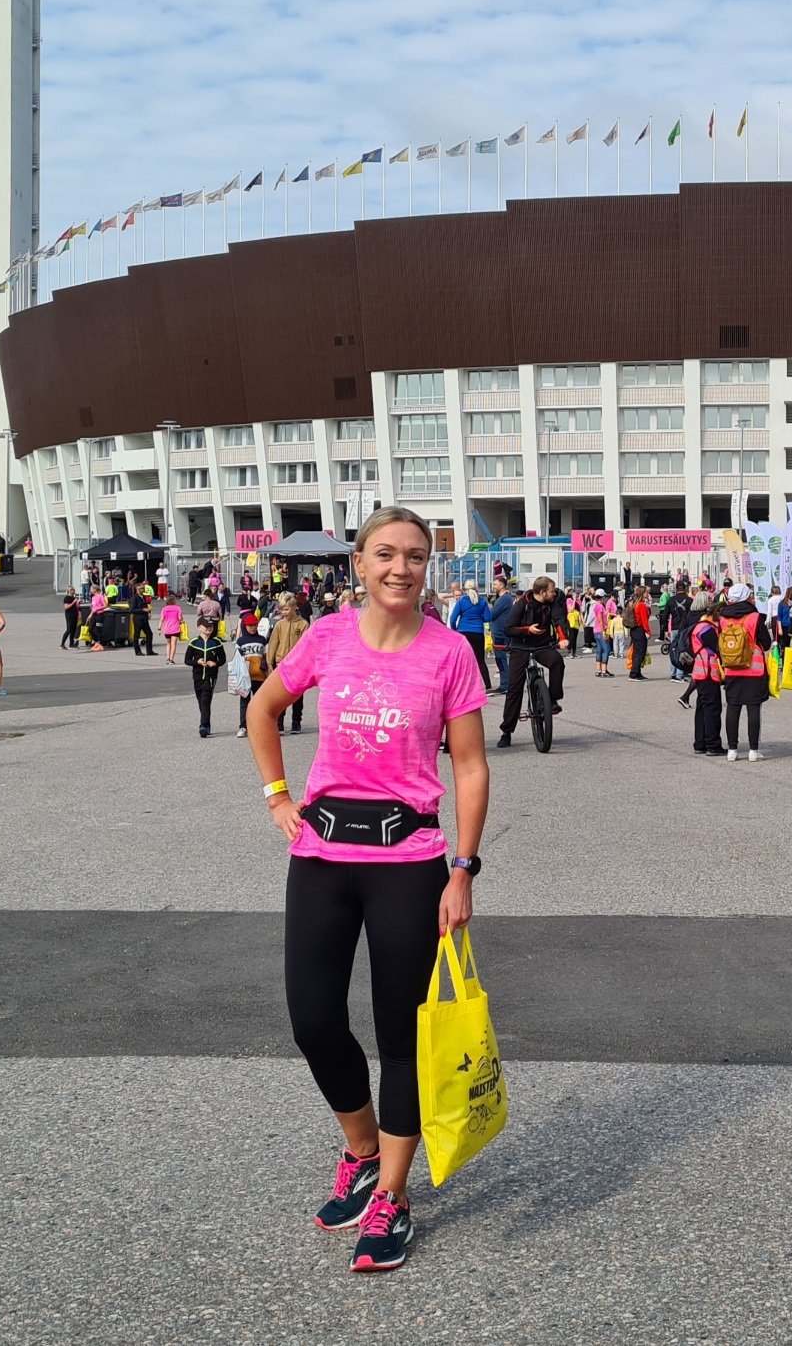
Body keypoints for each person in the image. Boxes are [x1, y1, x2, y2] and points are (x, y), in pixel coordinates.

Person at [244, 506, 490, 1274]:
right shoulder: (326, 637)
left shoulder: (450, 653)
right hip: (321, 853)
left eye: (415, 556)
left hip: (410, 862)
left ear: (428, 567)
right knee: (313, 1021)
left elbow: (471, 767)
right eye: (385, 553)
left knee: (399, 1036)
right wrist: (277, 795)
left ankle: (392, 1193)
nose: (400, 568)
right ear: (358, 561)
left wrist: (463, 867)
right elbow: (262, 707)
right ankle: (359, 1148)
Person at [497, 576, 565, 747]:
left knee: (557, 662)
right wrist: (527, 629)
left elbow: (559, 621)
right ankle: (506, 731)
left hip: (542, 645)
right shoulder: (521, 604)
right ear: (542, 592)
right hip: (520, 647)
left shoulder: (552, 603)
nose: (554, 593)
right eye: (551, 590)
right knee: (515, 689)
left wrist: (564, 638)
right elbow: (509, 629)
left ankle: (552, 699)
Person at [716, 582, 773, 760]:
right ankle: (753, 751)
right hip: (753, 670)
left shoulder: (723, 618)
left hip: (732, 669)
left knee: (733, 708)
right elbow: (766, 642)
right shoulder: (754, 617)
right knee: (753, 709)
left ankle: (732, 750)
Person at [687, 595, 725, 755]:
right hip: (708, 671)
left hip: (700, 670)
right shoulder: (708, 628)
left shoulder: (701, 625)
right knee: (712, 708)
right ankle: (713, 744)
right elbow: (718, 648)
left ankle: (700, 743)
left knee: (702, 708)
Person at [266, 595, 308, 733]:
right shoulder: (279, 625)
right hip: (281, 663)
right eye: (282, 609)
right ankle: (279, 723)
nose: (284, 612)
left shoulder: (303, 624)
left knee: (297, 696)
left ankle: (296, 722)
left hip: (297, 665)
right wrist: (269, 662)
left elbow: (306, 646)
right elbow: (273, 644)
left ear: (294, 608)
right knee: (281, 695)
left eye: (286, 609)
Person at [184, 616, 227, 738]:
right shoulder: (194, 642)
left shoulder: (216, 642)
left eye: (211, 626)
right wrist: (197, 662)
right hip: (197, 676)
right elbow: (187, 660)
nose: (209, 628)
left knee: (205, 700)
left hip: (210, 676)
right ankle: (206, 722)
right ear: (199, 628)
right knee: (201, 700)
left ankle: (203, 726)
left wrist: (215, 663)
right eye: (206, 626)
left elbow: (222, 659)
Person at [233, 610, 271, 737]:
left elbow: (266, 657)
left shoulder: (262, 640)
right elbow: (237, 660)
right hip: (245, 677)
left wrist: (268, 670)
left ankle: (260, 725)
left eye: (255, 625)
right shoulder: (240, 642)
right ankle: (243, 726)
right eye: (250, 625)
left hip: (260, 676)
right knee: (244, 702)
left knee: (260, 703)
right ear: (245, 626)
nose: (253, 628)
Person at [448, 582, 491, 689]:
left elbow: (453, 619)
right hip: (478, 632)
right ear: (476, 589)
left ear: (465, 589)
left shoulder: (462, 601)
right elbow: (488, 618)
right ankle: (488, 685)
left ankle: (461, 686)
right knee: (480, 661)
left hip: (463, 632)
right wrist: (479, 617)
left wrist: (455, 631)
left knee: (462, 660)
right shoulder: (482, 601)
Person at [485, 578, 516, 692]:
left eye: (495, 584)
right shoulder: (505, 599)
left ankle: (505, 684)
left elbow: (492, 614)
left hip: (500, 632)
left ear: (502, 585)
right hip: (499, 631)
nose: (493, 586)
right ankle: (505, 684)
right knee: (500, 658)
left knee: (501, 658)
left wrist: (487, 609)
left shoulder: (504, 599)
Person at [626, 585, 652, 680]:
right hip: (640, 629)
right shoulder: (641, 605)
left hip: (634, 630)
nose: (647, 594)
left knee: (636, 652)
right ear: (643, 593)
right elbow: (644, 620)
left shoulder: (634, 604)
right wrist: (648, 631)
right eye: (646, 592)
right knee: (640, 652)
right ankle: (634, 673)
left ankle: (637, 672)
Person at [131, 582, 156, 657]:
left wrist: (148, 613)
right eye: (141, 588)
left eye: (143, 588)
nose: (143, 589)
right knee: (137, 635)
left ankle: (149, 650)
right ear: (137, 589)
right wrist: (142, 610)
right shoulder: (134, 598)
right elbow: (132, 610)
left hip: (144, 619)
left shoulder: (144, 597)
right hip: (138, 619)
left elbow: (146, 606)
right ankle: (137, 651)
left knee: (149, 634)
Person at [161, 593, 186, 662]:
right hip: (175, 628)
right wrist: (182, 621)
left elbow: (162, 619)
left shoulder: (164, 609)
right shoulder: (178, 608)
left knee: (168, 643)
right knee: (173, 644)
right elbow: (180, 618)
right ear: (174, 601)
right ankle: (171, 659)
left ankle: (167, 657)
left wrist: (159, 628)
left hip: (167, 629)